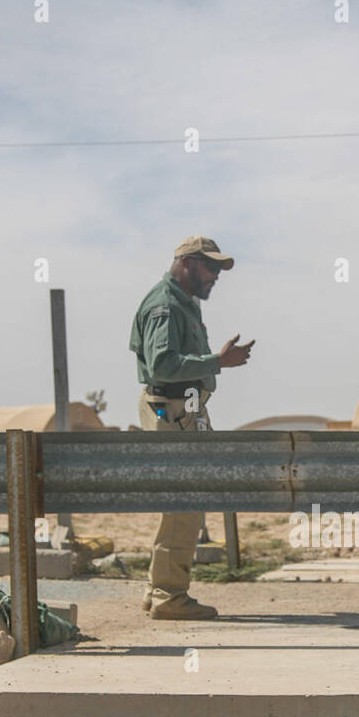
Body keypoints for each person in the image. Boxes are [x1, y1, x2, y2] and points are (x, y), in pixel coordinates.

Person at [130, 235, 254, 619]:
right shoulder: (165, 305)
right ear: (186, 262)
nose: (216, 276)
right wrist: (218, 362)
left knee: (182, 503)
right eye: (210, 267)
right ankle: (169, 595)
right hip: (173, 409)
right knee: (185, 501)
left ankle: (160, 590)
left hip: (181, 409)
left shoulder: (181, 302)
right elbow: (163, 365)